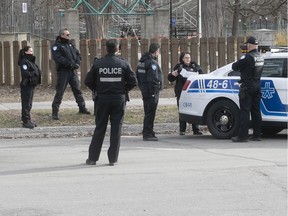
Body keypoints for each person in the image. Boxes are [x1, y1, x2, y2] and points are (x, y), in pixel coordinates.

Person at [84, 39, 137, 166]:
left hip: (102, 99)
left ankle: (92, 159)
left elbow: (88, 81)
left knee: (100, 128)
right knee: (116, 129)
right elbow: (133, 81)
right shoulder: (123, 63)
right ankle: (113, 159)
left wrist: (97, 89)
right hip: (118, 99)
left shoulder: (98, 63)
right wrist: (124, 90)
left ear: (106, 49)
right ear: (117, 48)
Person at [51, 28, 90, 120]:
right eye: (67, 35)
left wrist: (77, 63)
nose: (69, 36)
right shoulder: (57, 46)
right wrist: (69, 64)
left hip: (72, 71)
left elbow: (77, 54)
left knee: (77, 90)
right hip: (63, 71)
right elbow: (58, 58)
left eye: (69, 34)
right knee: (60, 91)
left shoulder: (70, 44)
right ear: (62, 35)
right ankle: (55, 112)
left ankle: (82, 107)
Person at [231, 36, 264, 142]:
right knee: (256, 111)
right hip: (257, 85)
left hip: (247, 87)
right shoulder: (260, 56)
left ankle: (243, 136)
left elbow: (234, 67)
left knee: (245, 111)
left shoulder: (247, 57)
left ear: (249, 45)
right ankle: (257, 135)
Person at [168, 51, 203, 136]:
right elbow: (170, 78)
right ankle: (182, 129)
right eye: (186, 58)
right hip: (181, 92)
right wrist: (172, 75)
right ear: (182, 59)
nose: (188, 59)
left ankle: (196, 129)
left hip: (193, 92)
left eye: (189, 58)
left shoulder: (195, 66)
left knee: (194, 110)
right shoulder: (179, 67)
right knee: (182, 110)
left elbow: (202, 75)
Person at [136, 43, 163, 141]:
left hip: (145, 91)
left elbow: (138, 76)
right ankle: (147, 133)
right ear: (156, 51)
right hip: (151, 92)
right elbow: (153, 79)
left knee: (147, 112)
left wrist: (143, 88)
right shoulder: (152, 63)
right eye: (158, 51)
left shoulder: (141, 62)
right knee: (150, 113)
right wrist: (153, 92)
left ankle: (149, 131)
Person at [18, 46, 41, 129]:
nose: (32, 52)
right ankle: (25, 121)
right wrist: (34, 73)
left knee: (29, 104)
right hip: (26, 85)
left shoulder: (30, 61)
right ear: (26, 52)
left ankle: (28, 120)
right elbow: (25, 73)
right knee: (26, 103)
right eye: (30, 51)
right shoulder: (24, 62)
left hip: (31, 85)